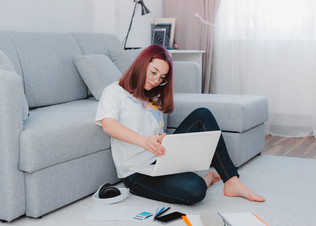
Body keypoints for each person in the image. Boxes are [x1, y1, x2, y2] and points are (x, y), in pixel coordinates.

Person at [95, 45, 265, 205]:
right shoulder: (114, 91)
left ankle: (231, 181)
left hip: (161, 158)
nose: (156, 80)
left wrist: (162, 140)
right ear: (141, 64)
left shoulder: (152, 97)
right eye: (154, 72)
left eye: (161, 78)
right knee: (195, 188)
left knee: (202, 114)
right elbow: (109, 125)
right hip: (136, 173)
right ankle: (206, 179)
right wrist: (145, 141)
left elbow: (155, 132)